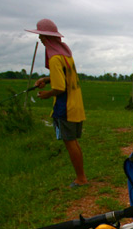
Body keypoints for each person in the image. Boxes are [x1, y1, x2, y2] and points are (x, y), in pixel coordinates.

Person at [25, 18, 88, 187]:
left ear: (47, 38)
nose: (40, 39)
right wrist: (46, 79)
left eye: (41, 36)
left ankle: (81, 179)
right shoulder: (66, 56)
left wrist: (47, 94)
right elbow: (63, 78)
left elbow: (60, 87)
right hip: (76, 106)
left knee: (70, 142)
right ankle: (81, 176)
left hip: (64, 107)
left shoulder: (54, 59)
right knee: (73, 141)